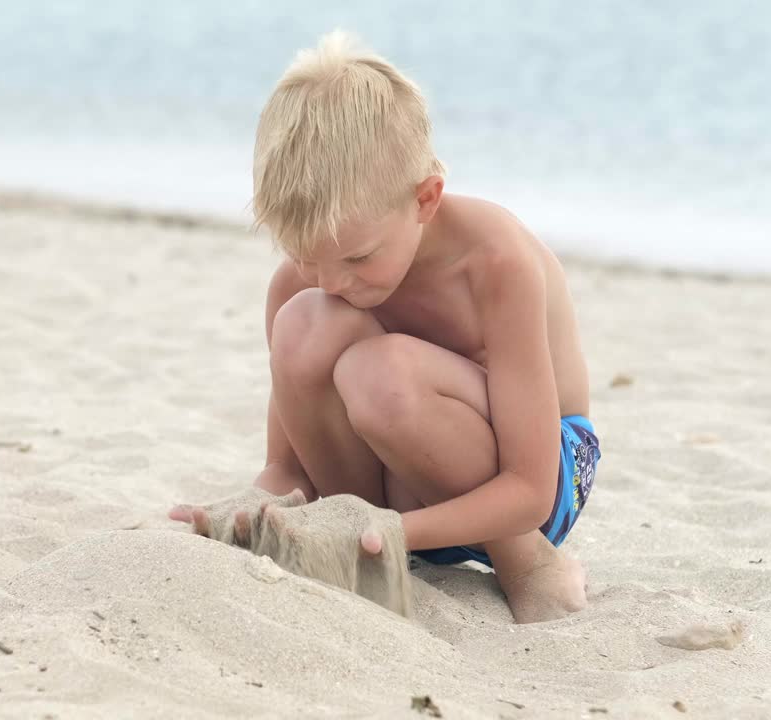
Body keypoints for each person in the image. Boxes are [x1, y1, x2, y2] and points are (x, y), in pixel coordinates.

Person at [170, 30, 601, 624]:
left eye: (357, 259)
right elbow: (289, 470)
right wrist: (243, 516)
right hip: (396, 506)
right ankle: (363, 548)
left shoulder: (496, 262)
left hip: (533, 490)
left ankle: (528, 565)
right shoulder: (307, 284)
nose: (330, 282)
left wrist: (397, 530)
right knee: (303, 324)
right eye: (306, 255)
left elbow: (530, 487)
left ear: (425, 199)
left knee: (383, 373)